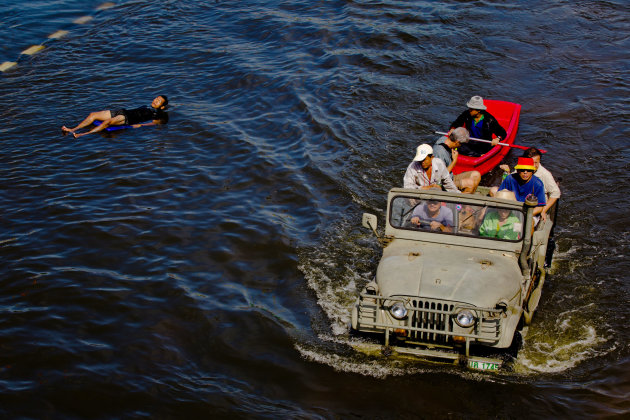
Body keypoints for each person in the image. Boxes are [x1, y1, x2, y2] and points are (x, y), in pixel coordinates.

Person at [496, 147, 560, 220]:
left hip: (534, 203)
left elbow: (556, 193)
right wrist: (507, 173)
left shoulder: (543, 176)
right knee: (494, 191)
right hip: (518, 202)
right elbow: (512, 180)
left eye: (536, 163)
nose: (534, 165)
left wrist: (544, 210)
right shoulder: (519, 172)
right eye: (532, 162)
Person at [61, 95, 169, 138]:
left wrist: (140, 125)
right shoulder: (146, 106)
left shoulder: (158, 114)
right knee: (93, 115)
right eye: (156, 98)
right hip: (121, 111)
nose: (155, 101)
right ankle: (72, 129)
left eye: (159, 101)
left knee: (107, 122)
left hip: (127, 119)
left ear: (162, 107)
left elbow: (155, 123)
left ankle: (82, 134)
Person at [433, 127, 481, 193]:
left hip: (451, 177)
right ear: (456, 142)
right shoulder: (440, 152)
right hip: (443, 183)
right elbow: (440, 177)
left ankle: (467, 198)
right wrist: (454, 161)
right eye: (460, 144)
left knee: (476, 175)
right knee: (470, 183)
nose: (460, 146)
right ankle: (459, 202)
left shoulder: (445, 139)